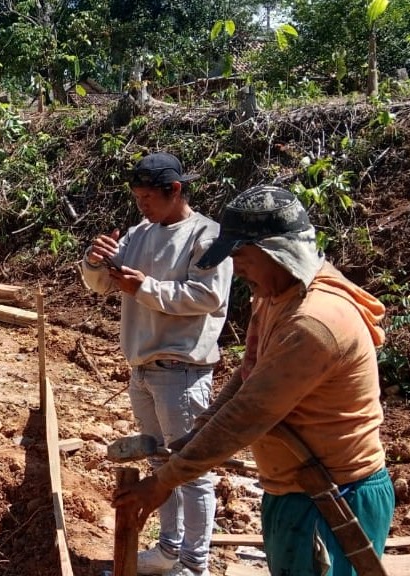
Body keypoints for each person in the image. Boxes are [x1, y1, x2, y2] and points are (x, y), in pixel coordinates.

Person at [114, 185, 394, 576]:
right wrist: (198, 430)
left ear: (274, 251)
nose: (235, 267)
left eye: (240, 255)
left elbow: (249, 413)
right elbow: (249, 376)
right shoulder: (275, 295)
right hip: (292, 490)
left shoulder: (314, 323)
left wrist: (164, 480)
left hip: (334, 496)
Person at [82, 152, 232, 576]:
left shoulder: (206, 236)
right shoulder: (140, 232)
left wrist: (145, 287)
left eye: (149, 197)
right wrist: (95, 262)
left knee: (192, 471)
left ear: (175, 190)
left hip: (182, 370)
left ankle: (193, 563)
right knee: (159, 467)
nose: (142, 205)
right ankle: (167, 551)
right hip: (144, 368)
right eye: (137, 197)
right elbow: (100, 285)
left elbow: (208, 297)